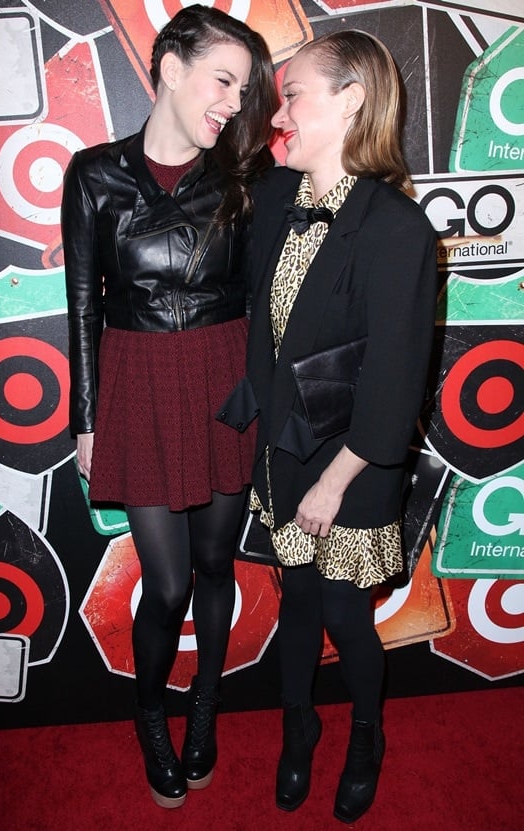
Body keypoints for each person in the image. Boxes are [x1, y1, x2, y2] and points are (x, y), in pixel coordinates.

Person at [61, 5, 277, 810]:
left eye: (243, 88)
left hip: (222, 375)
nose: (232, 100)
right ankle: (151, 708)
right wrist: (87, 419)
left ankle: (206, 702)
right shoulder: (94, 173)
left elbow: (264, 297)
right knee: (168, 583)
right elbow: (83, 303)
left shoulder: (244, 177)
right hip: (140, 383)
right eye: (223, 80)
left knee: (218, 562)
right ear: (171, 69)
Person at [220, 29, 438, 824]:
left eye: (296, 94)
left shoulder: (397, 229)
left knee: (346, 614)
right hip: (284, 449)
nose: (281, 112)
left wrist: (333, 482)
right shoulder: (278, 197)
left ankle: (368, 733)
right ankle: (298, 724)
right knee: (297, 601)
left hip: (353, 462)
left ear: (350, 101)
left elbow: (395, 379)